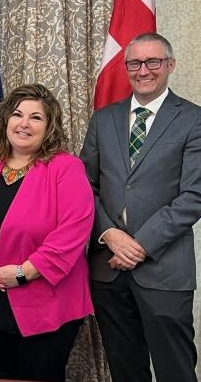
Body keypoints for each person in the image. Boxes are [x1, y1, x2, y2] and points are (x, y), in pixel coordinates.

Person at [0, 84, 94, 382]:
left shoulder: (66, 168)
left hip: (46, 305)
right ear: (6, 121)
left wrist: (19, 273)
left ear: (49, 126)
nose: (24, 123)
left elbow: (71, 234)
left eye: (36, 117)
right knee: (2, 376)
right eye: (17, 114)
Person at [80, 32, 201, 382]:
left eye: (154, 62)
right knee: (125, 369)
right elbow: (86, 186)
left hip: (164, 271)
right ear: (126, 67)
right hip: (107, 268)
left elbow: (194, 196)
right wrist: (110, 235)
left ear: (170, 65)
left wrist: (139, 245)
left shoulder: (193, 120)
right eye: (135, 63)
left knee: (175, 370)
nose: (143, 70)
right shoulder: (103, 119)